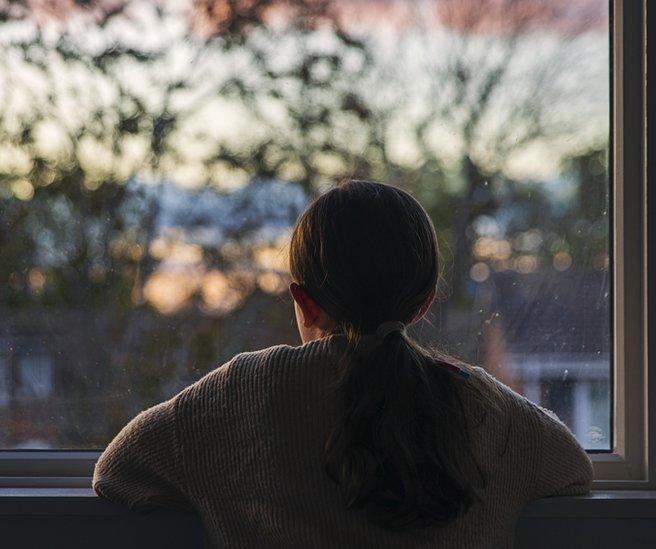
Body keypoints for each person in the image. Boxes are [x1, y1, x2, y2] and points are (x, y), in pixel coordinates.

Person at [93, 180, 593, 547]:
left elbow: (117, 472)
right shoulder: (479, 403)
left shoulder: (245, 392)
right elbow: (572, 472)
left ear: (304, 302)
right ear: (422, 304)